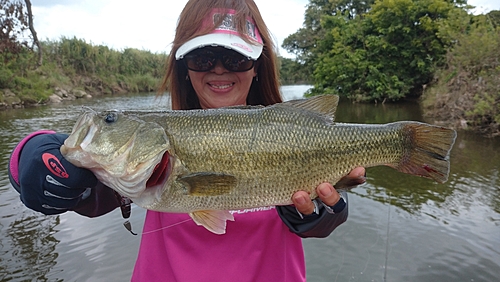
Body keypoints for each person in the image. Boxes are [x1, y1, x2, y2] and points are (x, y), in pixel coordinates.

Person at [8, 0, 366, 281]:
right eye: (203, 56)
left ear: (258, 65)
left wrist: (325, 214)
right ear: (184, 65)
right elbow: (89, 191)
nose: (219, 68)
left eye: (236, 57)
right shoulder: (138, 169)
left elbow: (329, 199)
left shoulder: (297, 134)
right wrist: (31, 155)